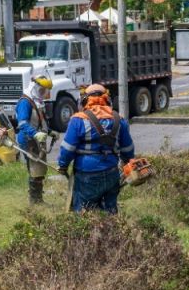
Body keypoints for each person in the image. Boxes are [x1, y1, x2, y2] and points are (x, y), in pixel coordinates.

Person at [56, 84, 135, 214]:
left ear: (84, 100)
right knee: (110, 211)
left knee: (84, 213)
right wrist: (128, 163)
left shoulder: (78, 120)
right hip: (112, 173)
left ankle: (88, 234)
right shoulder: (118, 119)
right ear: (107, 99)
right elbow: (128, 149)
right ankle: (114, 233)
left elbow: (67, 149)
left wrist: (62, 165)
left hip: (86, 174)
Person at [15, 75, 53, 204]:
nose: (45, 93)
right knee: (35, 169)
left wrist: (50, 131)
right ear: (36, 87)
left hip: (37, 139)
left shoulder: (37, 101)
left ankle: (38, 199)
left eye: (46, 91)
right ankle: (34, 200)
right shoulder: (25, 102)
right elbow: (22, 123)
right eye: (43, 90)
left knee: (40, 169)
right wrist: (35, 134)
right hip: (28, 140)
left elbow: (41, 121)